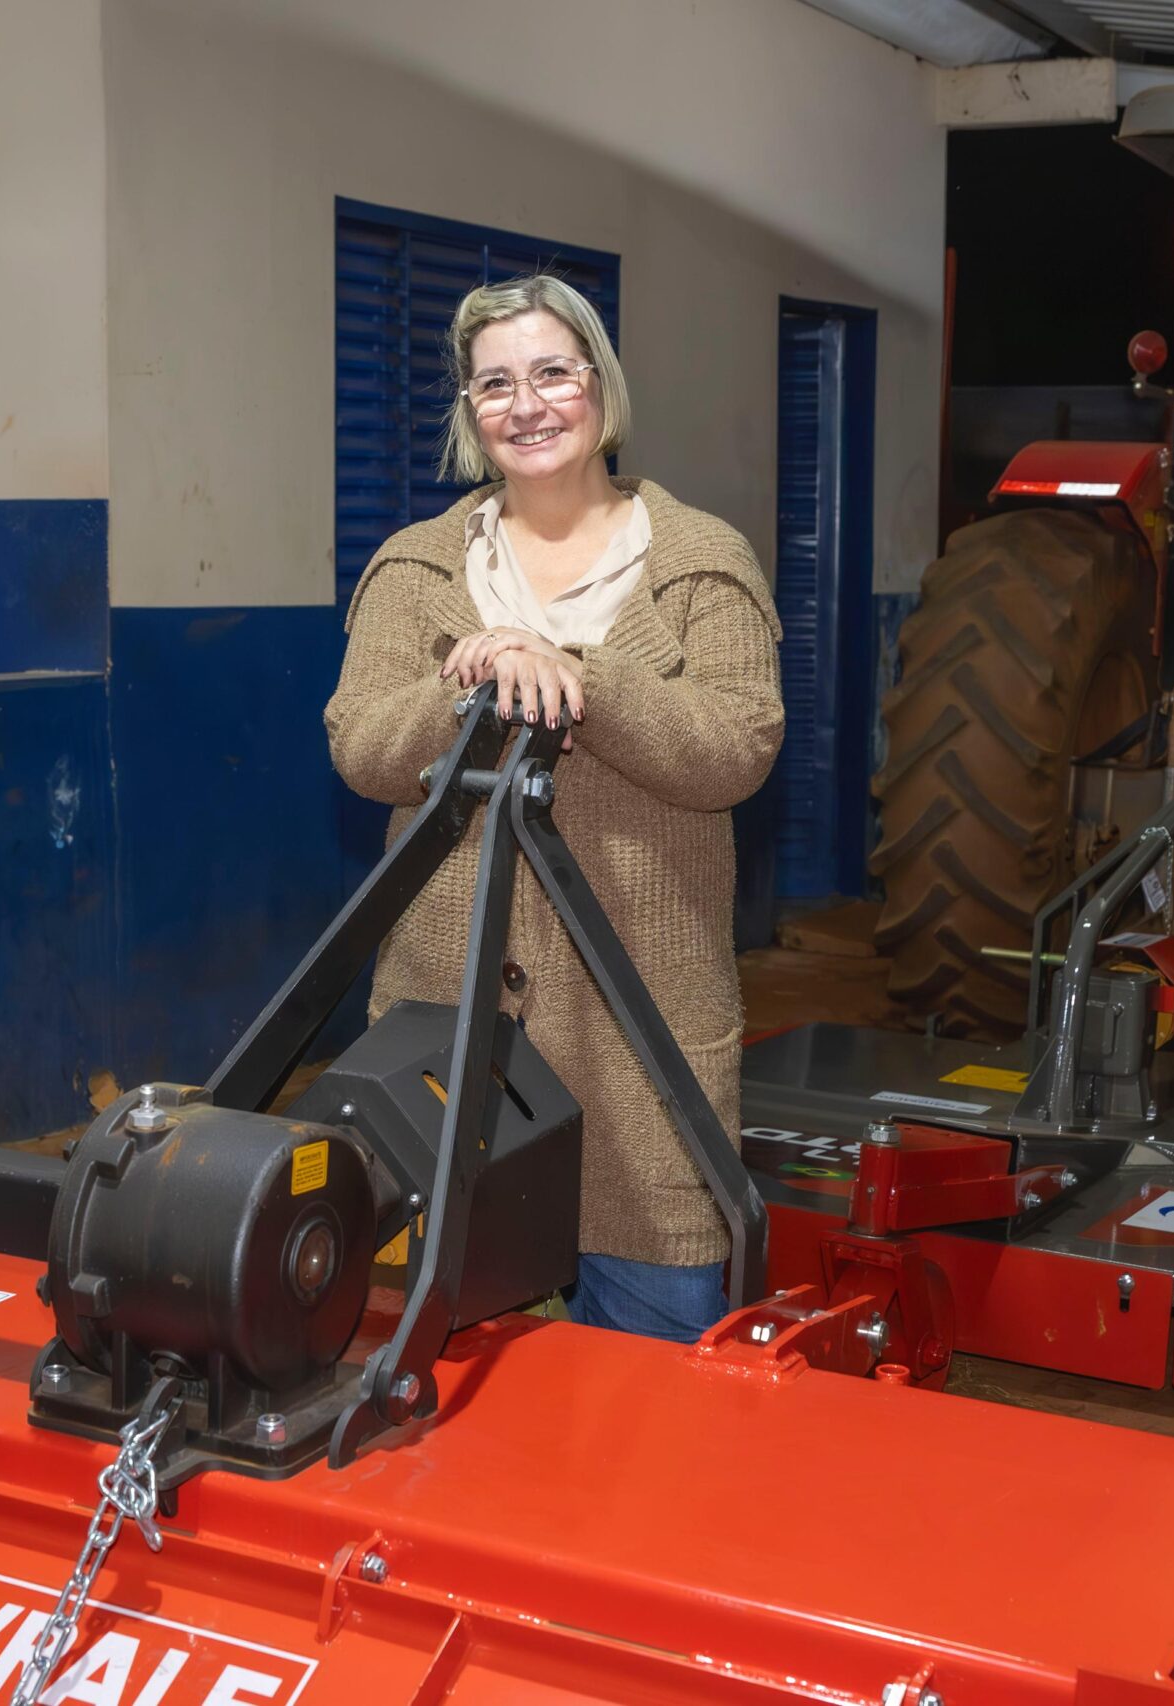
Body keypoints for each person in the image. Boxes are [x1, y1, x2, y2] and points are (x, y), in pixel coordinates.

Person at [325, 274, 784, 1342]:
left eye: (551, 374)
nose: (525, 405)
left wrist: (580, 676)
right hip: (444, 1039)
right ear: (469, 411)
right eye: (495, 385)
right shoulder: (418, 568)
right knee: (440, 1359)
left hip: (643, 1042)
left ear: (600, 388)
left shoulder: (698, 563)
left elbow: (736, 748)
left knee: (655, 1358)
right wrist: (472, 684)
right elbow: (360, 747)